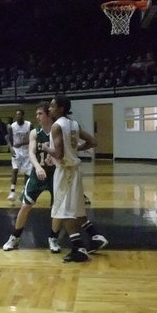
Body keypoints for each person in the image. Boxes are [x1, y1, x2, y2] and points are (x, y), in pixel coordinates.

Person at [46, 95, 108, 263]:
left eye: (52, 106)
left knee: (64, 212)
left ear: (61, 108)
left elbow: (58, 153)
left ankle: (78, 248)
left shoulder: (56, 126)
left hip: (64, 171)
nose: (49, 109)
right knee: (78, 210)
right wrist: (77, 148)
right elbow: (92, 141)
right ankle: (95, 237)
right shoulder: (74, 124)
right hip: (75, 170)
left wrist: (44, 147)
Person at [3, 102, 59, 252]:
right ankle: (15, 237)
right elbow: (31, 153)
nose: (37, 117)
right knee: (25, 206)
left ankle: (53, 238)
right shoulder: (35, 132)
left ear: (48, 114)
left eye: (40, 114)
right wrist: (38, 167)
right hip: (38, 174)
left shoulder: (58, 130)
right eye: (36, 114)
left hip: (55, 174)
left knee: (56, 209)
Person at [6, 109, 33, 200]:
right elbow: (8, 138)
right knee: (15, 170)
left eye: (19, 114)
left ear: (23, 115)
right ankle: (12, 192)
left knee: (26, 172)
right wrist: (10, 148)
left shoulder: (29, 125)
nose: (18, 116)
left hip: (26, 151)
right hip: (16, 151)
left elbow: (33, 139)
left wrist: (22, 143)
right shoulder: (12, 126)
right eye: (16, 115)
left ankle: (25, 190)